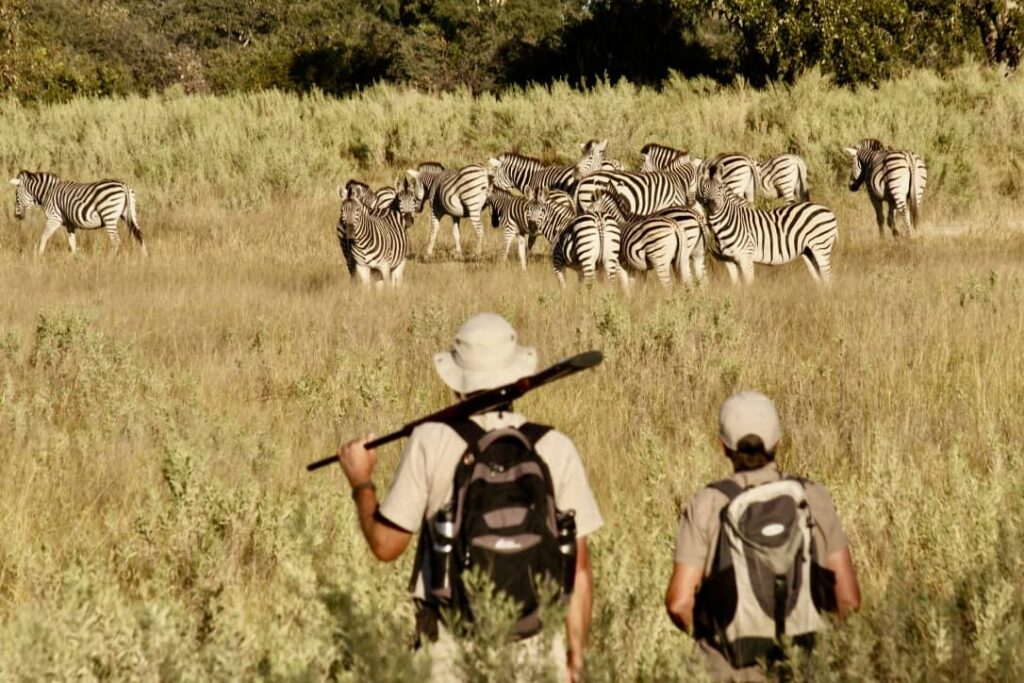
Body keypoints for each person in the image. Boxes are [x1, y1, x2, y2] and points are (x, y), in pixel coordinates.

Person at [335, 312, 603, 683]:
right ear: (516, 377)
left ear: (457, 381)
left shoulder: (431, 440)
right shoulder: (555, 447)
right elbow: (580, 569)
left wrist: (361, 482)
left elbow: (385, 545)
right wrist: (575, 658)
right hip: (538, 647)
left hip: (450, 646)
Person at [665, 391, 861, 682]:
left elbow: (679, 603)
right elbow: (849, 600)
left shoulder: (706, 504)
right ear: (778, 443)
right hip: (803, 665)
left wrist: (717, 643)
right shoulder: (814, 497)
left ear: (722, 446)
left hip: (730, 670)